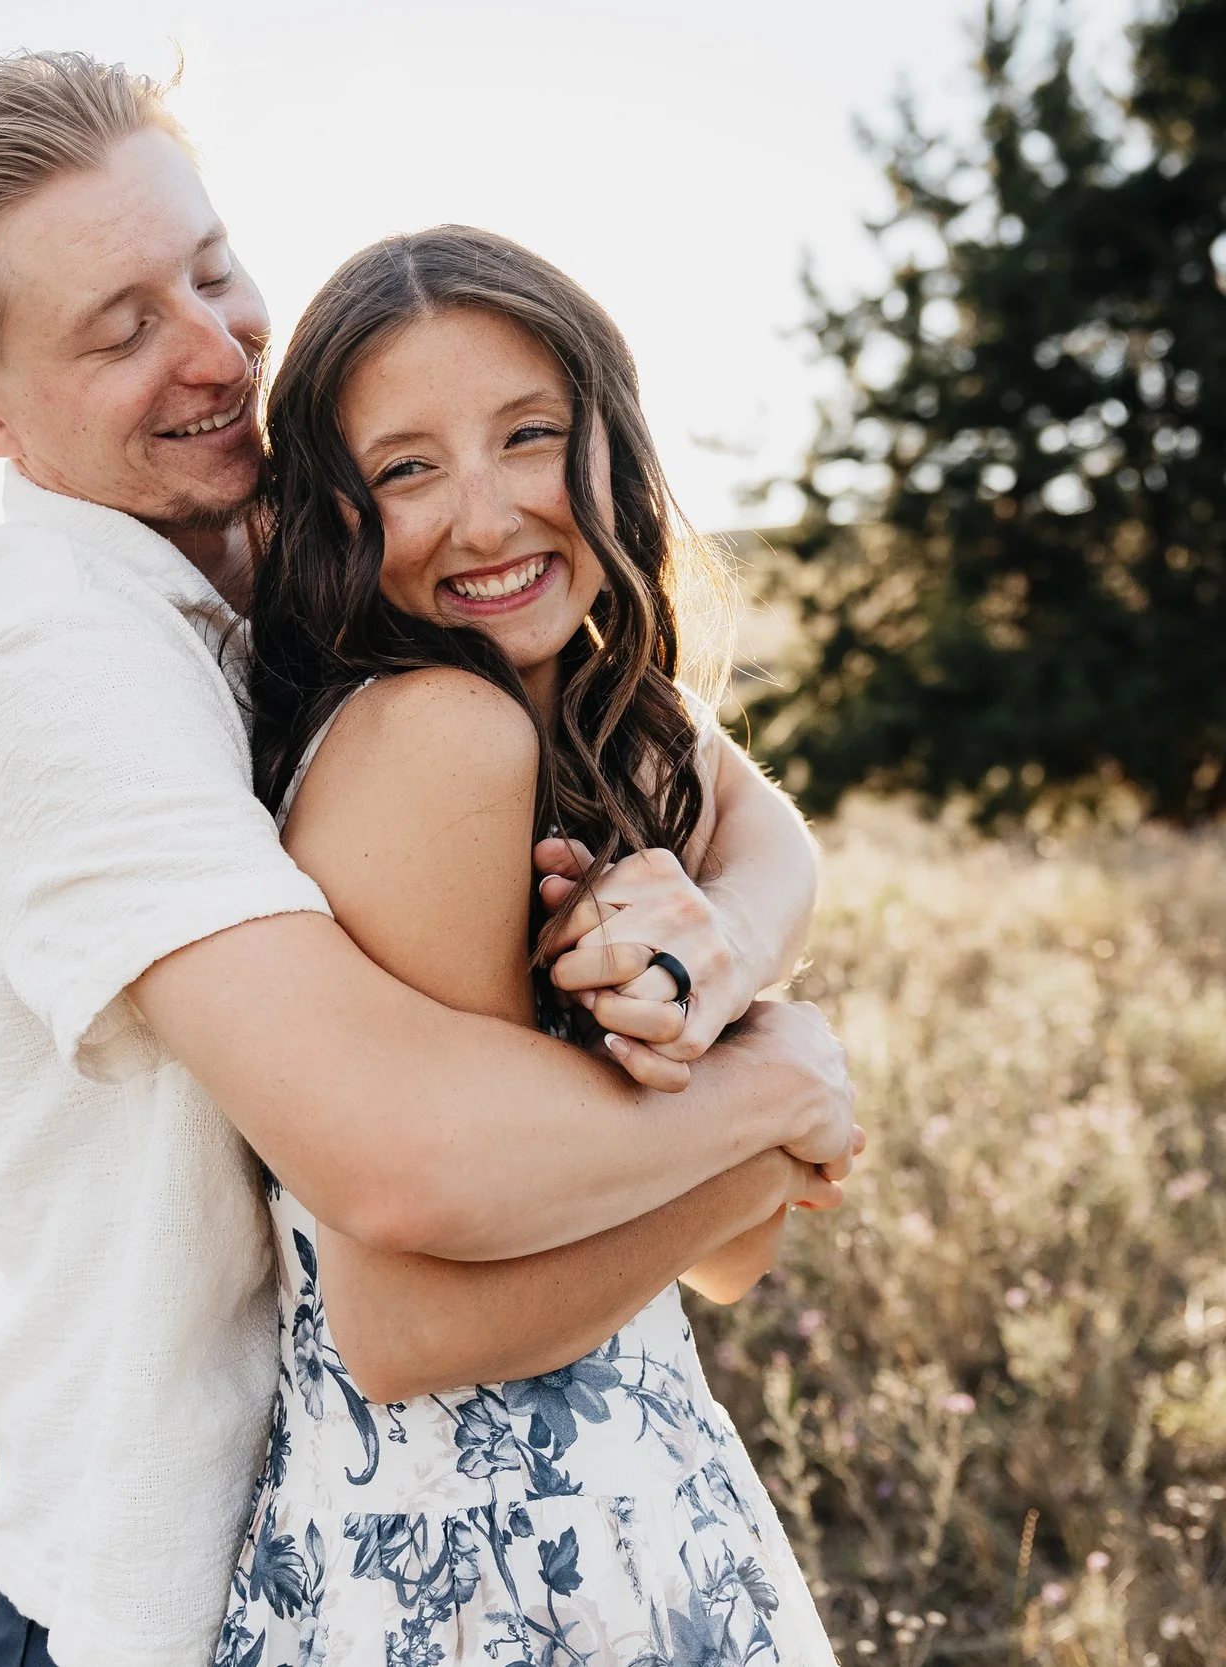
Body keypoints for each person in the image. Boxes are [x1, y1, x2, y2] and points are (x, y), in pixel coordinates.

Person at [0, 51, 861, 1667]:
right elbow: (399, 1180)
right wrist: (773, 1093)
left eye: (211, 270)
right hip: (171, 1584)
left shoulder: (323, 564)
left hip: (522, 1518)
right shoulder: (59, 654)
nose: (216, 352)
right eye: (121, 330)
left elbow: (737, 801)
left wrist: (718, 950)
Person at [217, 228, 841, 1666]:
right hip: (467, 1578)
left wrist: (721, 1000)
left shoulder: (614, 731)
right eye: (407, 468)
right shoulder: (438, 739)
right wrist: (772, 1108)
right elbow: (407, 1334)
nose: (488, 517)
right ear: (333, 513)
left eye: (529, 436)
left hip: (656, 1531)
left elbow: (729, 1261)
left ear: (612, 441)